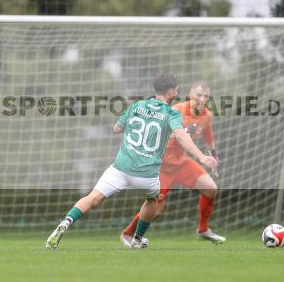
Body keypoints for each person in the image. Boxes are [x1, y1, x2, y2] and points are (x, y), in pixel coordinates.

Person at [45, 72, 218, 250]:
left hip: (120, 168)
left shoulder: (136, 106)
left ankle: (66, 222)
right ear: (173, 92)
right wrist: (202, 156)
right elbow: (181, 136)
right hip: (146, 174)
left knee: (93, 197)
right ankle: (137, 238)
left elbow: (116, 128)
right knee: (152, 202)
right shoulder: (171, 114)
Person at [120, 81, 224, 245]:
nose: (202, 99)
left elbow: (208, 134)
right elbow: (158, 134)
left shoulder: (207, 115)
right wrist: (180, 133)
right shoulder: (176, 111)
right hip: (161, 165)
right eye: (199, 95)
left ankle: (203, 229)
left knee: (211, 189)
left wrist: (214, 155)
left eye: (206, 96)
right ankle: (127, 233)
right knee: (156, 209)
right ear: (190, 95)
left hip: (181, 163)